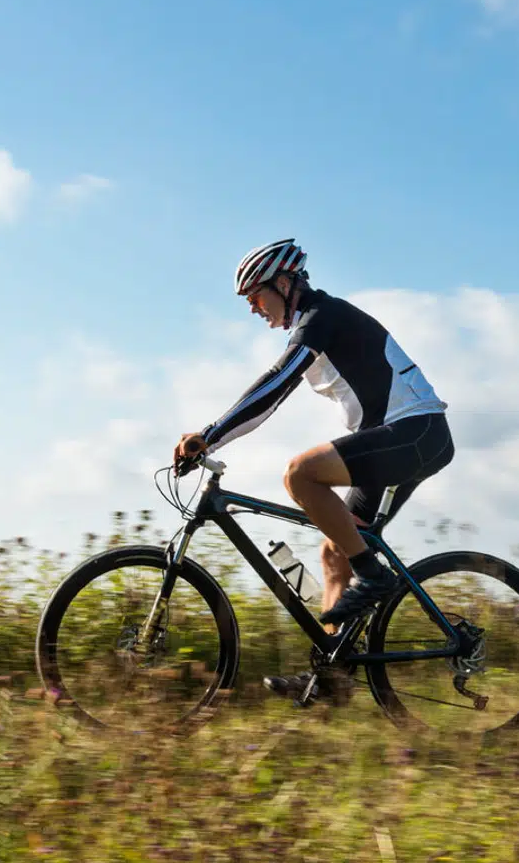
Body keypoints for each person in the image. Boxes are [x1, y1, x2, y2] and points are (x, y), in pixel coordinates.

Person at [173, 238, 455, 703]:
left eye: (255, 296)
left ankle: (375, 577)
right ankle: (333, 680)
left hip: (418, 432)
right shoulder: (312, 324)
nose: (252, 309)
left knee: (300, 474)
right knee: (333, 553)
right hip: (401, 439)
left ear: (285, 283)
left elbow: (275, 385)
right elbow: (273, 395)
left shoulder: (323, 318)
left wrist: (210, 433)